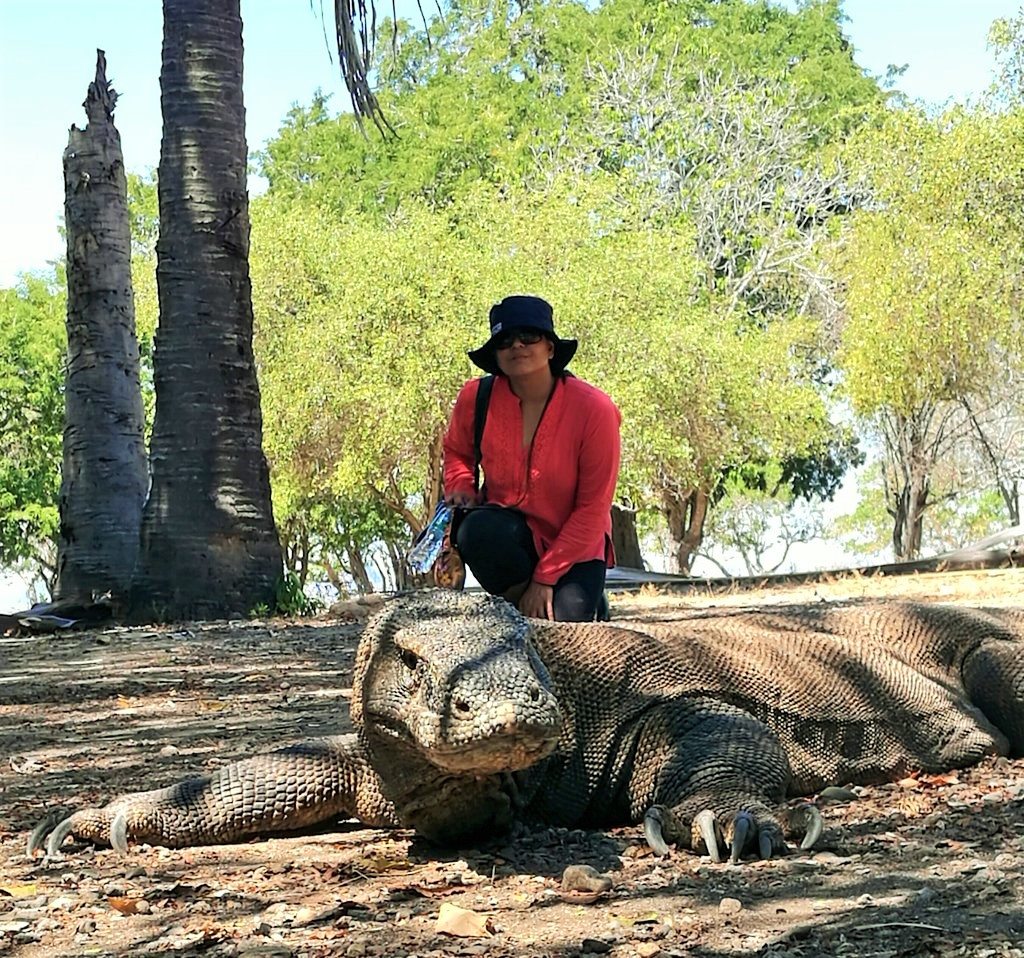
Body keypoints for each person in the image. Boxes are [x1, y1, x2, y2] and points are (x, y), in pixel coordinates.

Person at [442, 295, 621, 621]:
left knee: (564, 629)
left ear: (550, 347)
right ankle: (519, 604)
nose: (517, 346)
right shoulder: (475, 397)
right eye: (504, 340)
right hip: (507, 532)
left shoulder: (595, 410)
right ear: (496, 354)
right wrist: (461, 485)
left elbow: (593, 509)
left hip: (575, 543)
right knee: (475, 531)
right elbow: (457, 450)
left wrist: (545, 578)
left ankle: (584, 600)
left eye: (528, 336)